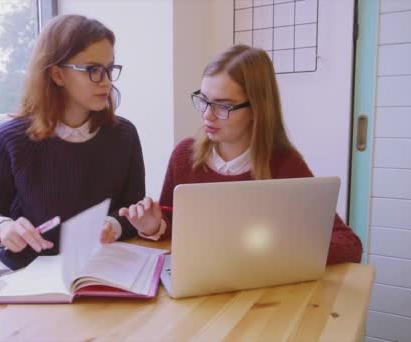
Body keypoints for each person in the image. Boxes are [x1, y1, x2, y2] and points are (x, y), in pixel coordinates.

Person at [119, 44, 362, 265]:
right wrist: (154, 226)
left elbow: (349, 245)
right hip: (199, 289)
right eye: (203, 100)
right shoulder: (184, 156)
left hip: (260, 298)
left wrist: (281, 247)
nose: (207, 115)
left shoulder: (285, 165)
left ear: (257, 109)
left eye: (222, 106)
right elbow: (173, 226)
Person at [0, 15, 144, 274]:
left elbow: (132, 212)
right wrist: (2, 228)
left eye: (109, 68)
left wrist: (113, 225)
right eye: (93, 69)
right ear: (57, 75)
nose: (106, 80)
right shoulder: (11, 138)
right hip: (25, 276)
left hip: (98, 272)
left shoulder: (124, 135)